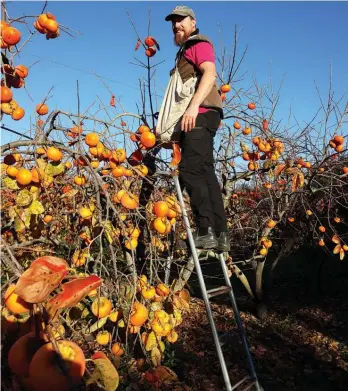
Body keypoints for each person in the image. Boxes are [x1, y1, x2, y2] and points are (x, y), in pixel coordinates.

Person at [162, 5, 230, 251]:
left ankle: (205, 230)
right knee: (205, 172)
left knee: (189, 171)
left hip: (199, 115)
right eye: (173, 23)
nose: (176, 26)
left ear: (192, 22)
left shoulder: (197, 44)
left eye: (181, 21)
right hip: (205, 115)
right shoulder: (185, 51)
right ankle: (220, 234)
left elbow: (210, 74)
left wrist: (192, 108)